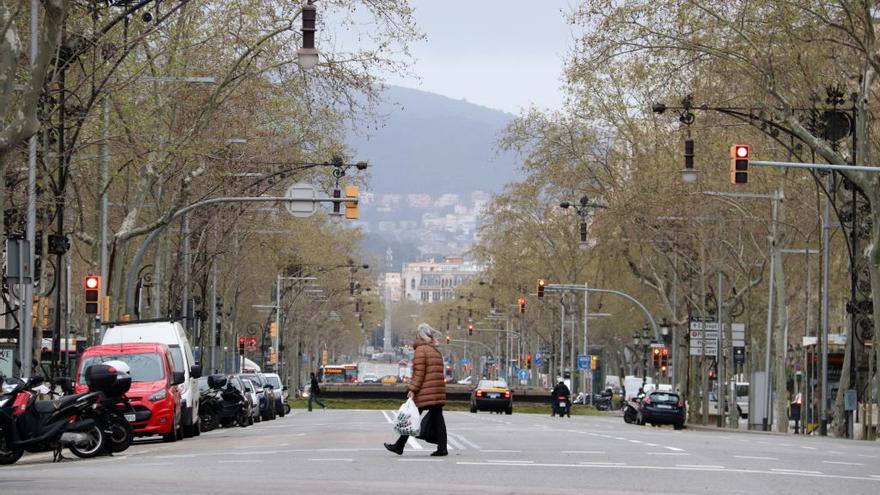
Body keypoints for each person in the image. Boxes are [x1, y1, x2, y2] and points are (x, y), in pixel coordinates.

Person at [385, 323, 448, 457]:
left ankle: (399, 446)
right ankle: (442, 448)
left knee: (410, 418)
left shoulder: (421, 350)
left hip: (425, 391)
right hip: (436, 390)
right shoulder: (435, 350)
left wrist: (413, 389)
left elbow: (419, 373)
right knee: (437, 419)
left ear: (420, 335)